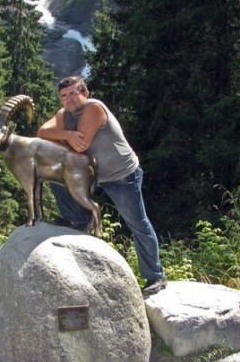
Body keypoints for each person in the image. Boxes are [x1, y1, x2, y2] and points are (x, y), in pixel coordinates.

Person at [37, 75, 167, 296]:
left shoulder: (94, 108)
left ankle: (155, 276)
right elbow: (41, 133)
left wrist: (59, 139)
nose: (68, 99)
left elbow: (81, 146)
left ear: (85, 93)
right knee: (51, 171)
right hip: (94, 174)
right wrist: (67, 134)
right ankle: (78, 219)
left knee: (137, 223)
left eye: (73, 93)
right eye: (64, 96)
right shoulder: (65, 115)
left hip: (122, 175)